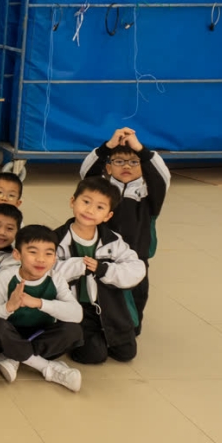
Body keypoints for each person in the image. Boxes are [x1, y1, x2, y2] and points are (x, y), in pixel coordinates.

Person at [79, 127, 169, 328]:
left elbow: (162, 177)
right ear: (109, 167)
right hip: (101, 258)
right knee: (100, 298)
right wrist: (108, 146)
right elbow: (87, 173)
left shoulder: (150, 195)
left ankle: (130, 329)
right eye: (118, 161)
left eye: (134, 162)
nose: (126, 166)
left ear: (143, 166)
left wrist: (141, 150)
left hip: (137, 259)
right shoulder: (102, 193)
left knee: (135, 300)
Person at [0, 225, 84, 392]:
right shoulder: (6, 276)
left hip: (38, 336)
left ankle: (13, 355)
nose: (41, 259)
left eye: (48, 253)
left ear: (55, 258)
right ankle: (46, 367)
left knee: (73, 331)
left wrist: (39, 303)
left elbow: (77, 314)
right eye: (33, 252)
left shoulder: (56, 279)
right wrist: (8, 307)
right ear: (17, 254)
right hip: (8, 333)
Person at [54, 178, 146, 365]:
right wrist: (79, 265)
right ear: (73, 201)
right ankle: (80, 338)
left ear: (108, 216)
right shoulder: (55, 238)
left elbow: (137, 269)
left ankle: (101, 334)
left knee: (126, 353)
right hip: (76, 308)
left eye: (99, 207)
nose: (90, 210)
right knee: (94, 355)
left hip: (107, 305)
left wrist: (103, 269)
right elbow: (47, 271)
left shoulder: (113, 240)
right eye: (86, 202)